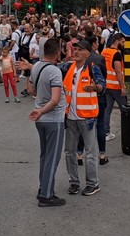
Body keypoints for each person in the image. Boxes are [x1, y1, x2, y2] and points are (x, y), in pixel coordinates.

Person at [61, 39, 105, 196]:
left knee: (90, 152)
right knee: (69, 151)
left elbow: (102, 85)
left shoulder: (93, 68)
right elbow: (52, 69)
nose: (76, 52)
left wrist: (96, 87)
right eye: (74, 49)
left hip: (87, 118)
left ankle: (93, 183)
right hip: (70, 117)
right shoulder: (69, 67)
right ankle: (74, 182)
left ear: (87, 53)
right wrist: (32, 67)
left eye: (79, 50)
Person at [27, 38, 66, 207]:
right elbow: (55, 99)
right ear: (57, 53)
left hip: (40, 120)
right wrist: (42, 110)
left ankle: (43, 188)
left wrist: (39, 107)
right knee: (53, 157)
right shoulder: (55, 71)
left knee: (45, 155)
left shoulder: (36, 67)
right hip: (53, 119)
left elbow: (30, 90)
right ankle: (47, 195)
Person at [101, 32, 126, 140]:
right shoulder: (116, 54)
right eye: (123, 42)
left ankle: (106, 132)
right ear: (117, 41)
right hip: (116, 87)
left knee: (107, 110)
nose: (124, 44)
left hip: (106, 85)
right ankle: (127, 131)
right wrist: (123, 86)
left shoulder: (104, 52)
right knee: (125, 110)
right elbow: (118, 72)